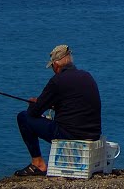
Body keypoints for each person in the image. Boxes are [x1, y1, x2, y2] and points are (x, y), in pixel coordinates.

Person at [14, 44, 102, 176]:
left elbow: (34, 113)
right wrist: (53, 105)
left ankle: (38, 164)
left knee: (24, 117)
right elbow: (76, 105)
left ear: (56, 65)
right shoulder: (87, 76)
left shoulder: (57, 81)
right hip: (93, 134)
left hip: (70, 134)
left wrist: (34, 104)